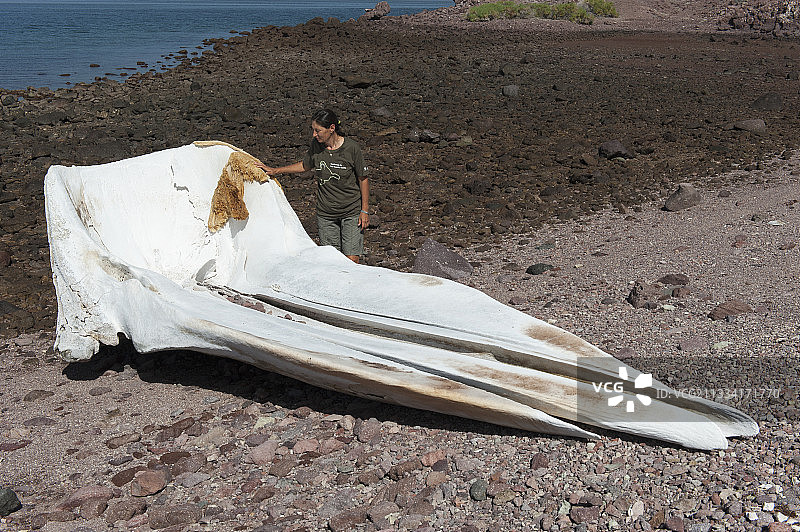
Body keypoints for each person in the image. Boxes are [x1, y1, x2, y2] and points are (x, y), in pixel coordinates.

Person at [257, 109, 369, 263]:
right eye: (313, 130)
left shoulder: (351, 148)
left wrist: (364, 210)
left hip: (351, 211)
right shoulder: (317, 146)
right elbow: (305, 165)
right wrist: (276, 170)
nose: (314, 134)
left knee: (352, 260)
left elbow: (363, 179)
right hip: (326, 214)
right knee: (331, 261)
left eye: (318, 130)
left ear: (332, 128)